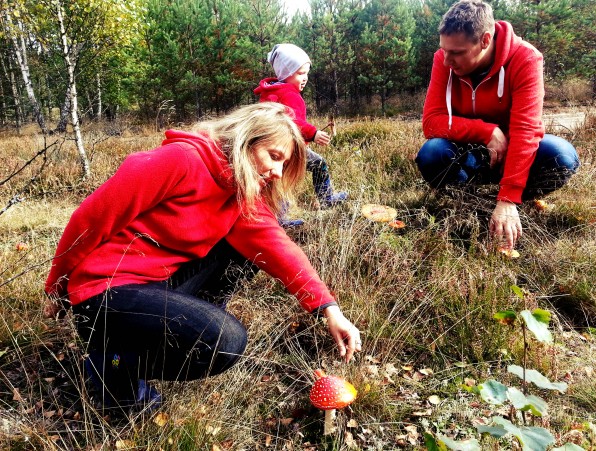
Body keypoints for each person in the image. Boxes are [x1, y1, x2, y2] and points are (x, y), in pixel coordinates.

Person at [44, 103, 361, 413]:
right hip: (105, 290)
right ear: (244, 140)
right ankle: (110, 366)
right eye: (274, 157)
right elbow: (90, 220)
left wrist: (329, 309)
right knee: (224, 341)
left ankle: (149, 341)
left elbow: (279, 249)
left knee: (248, 250)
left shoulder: (239, 193)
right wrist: (56, 289)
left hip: (156, 285)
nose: (277, 172)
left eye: (284, 164)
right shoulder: (180, 160)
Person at [415, 0, 580, 250]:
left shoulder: (525, 58)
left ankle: (509, 204)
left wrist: (508, 197)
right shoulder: (443, 59)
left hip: (512, 153)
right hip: (468, 154)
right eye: (444, 50)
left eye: (457, 53)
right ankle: (471, 203)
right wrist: (486, 131)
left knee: (562, 156)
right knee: (432, 153)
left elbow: (526, 130)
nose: (446, 60)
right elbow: (432, 122)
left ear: (485, 40)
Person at [254, 43, 348, 227]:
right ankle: (322, 200)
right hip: (287, 148)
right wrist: (313, 133)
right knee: (289, 179)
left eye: (306, 73)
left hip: (280, 147)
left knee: (279, 182)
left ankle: (280, 217)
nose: (305, 78)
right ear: (285, 72)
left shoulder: (272, 91)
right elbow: (291, 122)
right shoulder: (287, 94)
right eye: (300, 73)